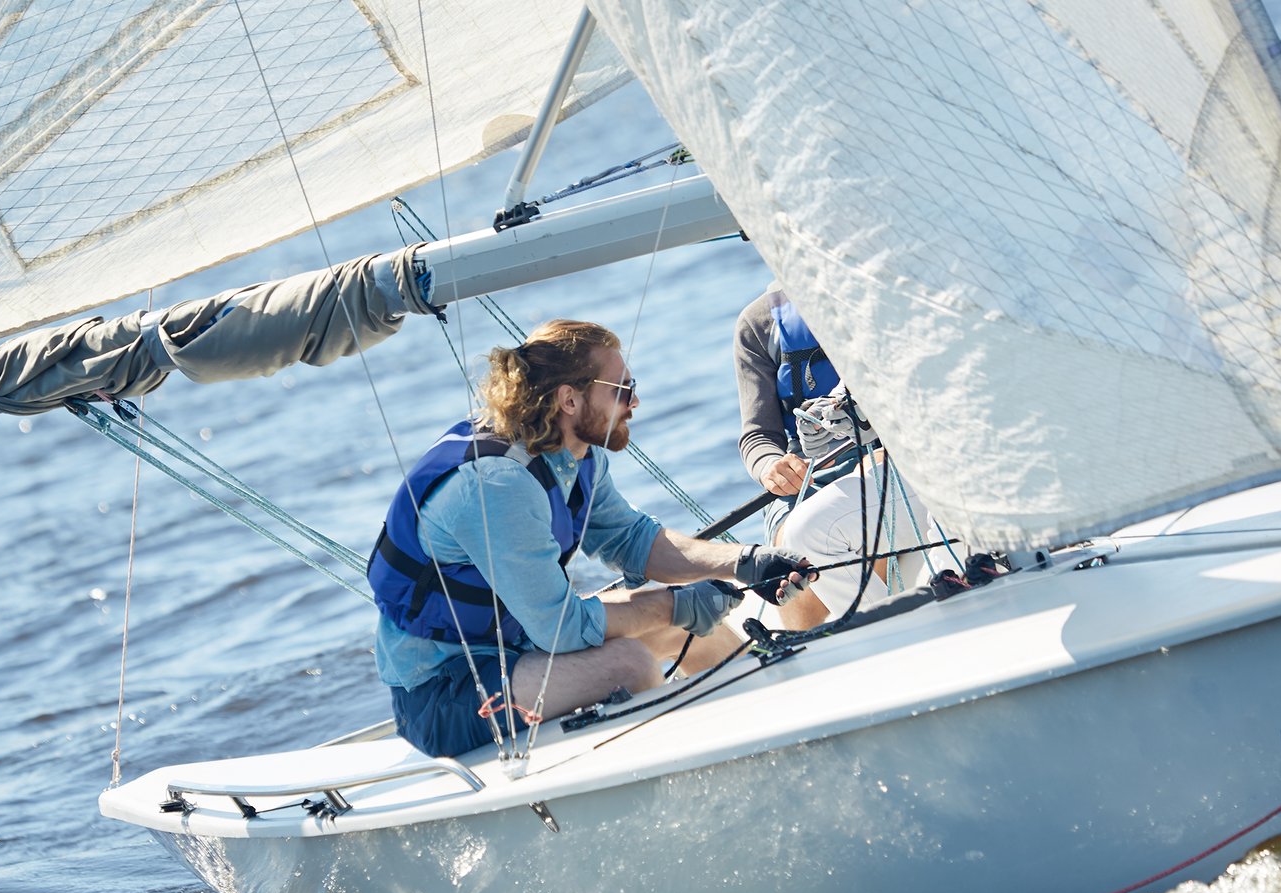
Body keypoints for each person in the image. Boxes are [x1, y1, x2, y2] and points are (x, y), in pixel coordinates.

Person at [371, 319, 816, 758]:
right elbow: (561, 629)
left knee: (701, 632)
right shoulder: (497, 485)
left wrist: (746, 562)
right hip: (445, 692)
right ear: (569, 399)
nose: (635, 401)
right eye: (621, 389)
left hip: (521, 647)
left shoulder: (573, 454)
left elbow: (633, 541)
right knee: (631, 665)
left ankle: (785, 737)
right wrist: (675, 603)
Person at [734, 288, 935, 628]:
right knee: (790, 567)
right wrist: (772, 466)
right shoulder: (757, 324)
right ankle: (819, 656)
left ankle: (893, 632)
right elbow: (757, 435)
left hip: (888, 456)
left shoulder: (879, 290)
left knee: (829, 536)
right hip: (806, 477)